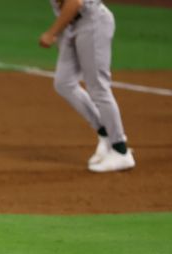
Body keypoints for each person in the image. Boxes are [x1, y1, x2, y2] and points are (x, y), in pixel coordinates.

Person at [39, 0, 135, 173]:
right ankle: (105, 132)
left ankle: (121, 151)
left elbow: (74, 2)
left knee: (98, 88)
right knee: (64, 83)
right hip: (72, 25)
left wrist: (51, 33)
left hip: (92, 22)